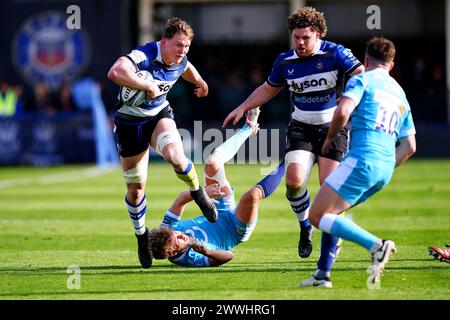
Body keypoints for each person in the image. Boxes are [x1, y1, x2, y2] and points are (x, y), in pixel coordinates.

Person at [222, 6, 364, 268]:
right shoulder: (285, 62)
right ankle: (305, 225)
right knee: (294, 181)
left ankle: (333, 238)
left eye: (305, 38)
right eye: (296, 37)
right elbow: (268, 89)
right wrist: (243, 107)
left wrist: (351, 99)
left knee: (329, 188)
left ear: (319, 35)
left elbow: (361, 74)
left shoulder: (335, 53)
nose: (299, 42)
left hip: (333, 128)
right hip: (301, 126)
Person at [297, 37, 416, 288]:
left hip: (362, 159)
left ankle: (377, 246)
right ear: (391, 65)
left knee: (318, 215)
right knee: (333, 212)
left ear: (366, 60)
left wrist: (329, 139)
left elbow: (342, 112)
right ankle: (322, 275)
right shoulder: (399, 93)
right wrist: (383, 166)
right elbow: (410, 146)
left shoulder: (363, 79)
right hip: (385, 169)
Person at [107, 17, 218, 269]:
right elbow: (115, 72)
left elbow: (186, 67)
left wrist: (200, 82)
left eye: (186, 47)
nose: (182, 52)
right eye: (178, 45)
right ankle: (141, 236)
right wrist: (144, 84)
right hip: (129, 125)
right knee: (136, 192)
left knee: (176, 157)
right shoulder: (144, 54)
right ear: (164, 41)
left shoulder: (180, 58)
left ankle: (198, 194)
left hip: (158, 115)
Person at [149, 109, 286, 267]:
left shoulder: (166, 229)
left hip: (218, 210)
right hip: (235, 229)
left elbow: (180, 200)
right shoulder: (191, 258)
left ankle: (248, 127)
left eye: (177, 234)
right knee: (252, 196)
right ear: (173, 253)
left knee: (212, 163)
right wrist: (206, 252)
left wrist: (201, 194)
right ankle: (288, 162)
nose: (181, 236)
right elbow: (229, 256)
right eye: (178, 241)